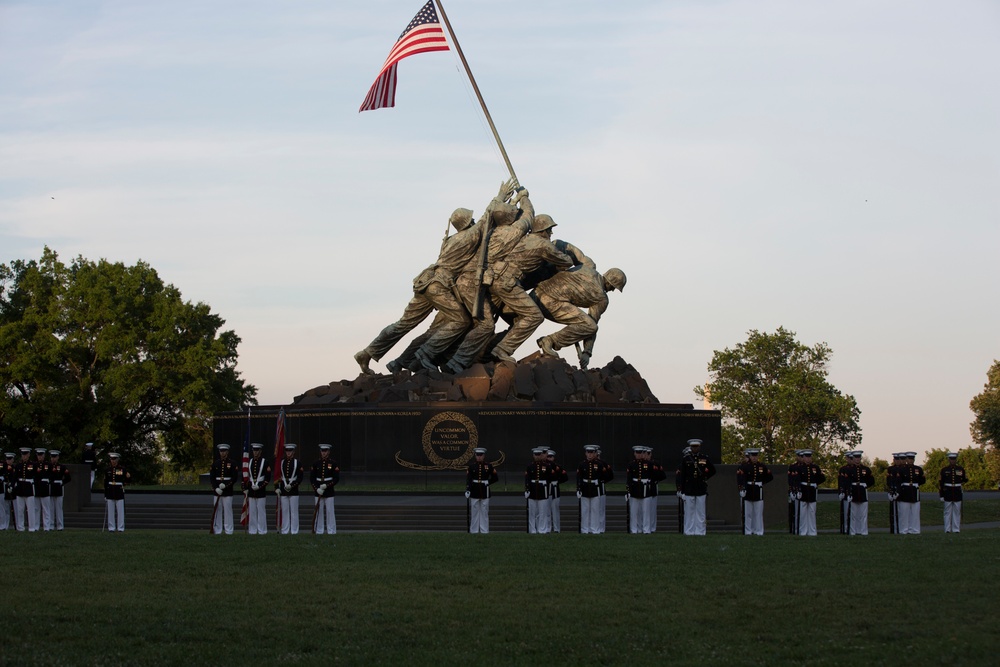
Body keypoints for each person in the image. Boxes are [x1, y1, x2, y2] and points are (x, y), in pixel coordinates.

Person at [354, 180, 515, 374]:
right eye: (470, 220)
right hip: (439, 285)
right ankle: (424, 355)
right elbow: (485, 219)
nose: (473, 222)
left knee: (403, 324)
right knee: (461, 321)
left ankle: (368, 352)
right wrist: (500, 197)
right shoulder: (467, 237)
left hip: (426, 281)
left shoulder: (451, 240)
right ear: (467, 223)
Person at [533, 264, 627, 369]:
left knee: (583, 322)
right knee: (590, 326)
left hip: (536, 293)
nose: (612, 290)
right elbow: (591, 326)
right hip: (551, 302)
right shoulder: (601, 298)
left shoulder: (587, 269)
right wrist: (587, 352)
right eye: (613, 287)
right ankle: (549, 341)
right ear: (609, 282)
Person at [676, 439, 716, 535]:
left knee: (700, 512)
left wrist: (705, 477)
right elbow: (683, 475)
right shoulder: (686, 460)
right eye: (693, 447)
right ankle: (689, 531)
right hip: (689, 488)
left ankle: (700, 531)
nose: (695, 448)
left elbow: (713, 470)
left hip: (700, 487)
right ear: (690, 447)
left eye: (696, 446)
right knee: (689, 512)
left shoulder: (704, 458)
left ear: (699, 447)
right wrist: (681, 489)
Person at [576, 444, 613, 534]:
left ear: (595, 453)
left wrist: (600, 482)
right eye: (588, 452)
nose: (590, 455)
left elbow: (606, 476)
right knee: (585, 510)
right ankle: (585, 529)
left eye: (591, 453)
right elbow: (579, 477)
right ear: (585, 453)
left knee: (595, 510)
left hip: (595, 488)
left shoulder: (599, 464)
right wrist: (579, 488)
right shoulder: (582, 464)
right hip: (585, 488)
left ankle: (594, 529)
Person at [627, 446, 665, 533]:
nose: (639, 455)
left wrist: (651, 483)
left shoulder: (650, 464)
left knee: (646, 511)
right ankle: (634, 529)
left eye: (641, 453)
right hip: (635, 488)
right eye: (637, 453)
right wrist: (628, 490)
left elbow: (655, 475)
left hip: (646, 489)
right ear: (634, 453)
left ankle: (646, 529)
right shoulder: (631, 464)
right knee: (634, 512)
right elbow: (629, 478)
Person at [736, 448, 773, 535]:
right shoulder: (745, 466)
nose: (754, 458)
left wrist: (761, 483)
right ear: (750, 456)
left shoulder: (762, 466)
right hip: (748, 488)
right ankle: (748, 531)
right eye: (753, 456)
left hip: (758, 489)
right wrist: (742, 488)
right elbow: (741, 478)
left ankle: (759, 531)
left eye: (756, 456)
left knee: (758, 512)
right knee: (748, 512)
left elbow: (769, 476)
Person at [789, 449, 825, 536]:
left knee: (812, 511)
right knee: (803, 512)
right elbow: (796, 480)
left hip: (812, 489)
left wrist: (815, 483)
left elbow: (821, 477)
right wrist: (797, 490)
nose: (808, 459)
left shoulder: (815, 467)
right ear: (803, 458)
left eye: (809, 457)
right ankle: (803, 530)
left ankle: (812, 531)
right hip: (804, 489)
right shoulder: (799, 468)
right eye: (806, 457)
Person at [838, 451, 875, 535]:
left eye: (859, 457)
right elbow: (846, 481)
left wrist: (866, 485)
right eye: (856, 458)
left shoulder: (866, 469)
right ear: (853, 458)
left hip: (862, 491)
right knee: (853, 514)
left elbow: (871, 480)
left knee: (863, 513)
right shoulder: (848, 469)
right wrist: (847, 492)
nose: (857, 459)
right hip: (853, 490)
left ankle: (863, 531)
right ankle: (852, 531)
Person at [465, 447, 497, 534]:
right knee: (474, 511)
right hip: (474, 490)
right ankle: (474, 530)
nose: (479, 457)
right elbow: (469, 479)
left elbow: (495, 478)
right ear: (475, 456)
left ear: (484, 456)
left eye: (481, 455)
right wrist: (468, 489)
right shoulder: (471, 467)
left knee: (484, 511)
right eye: (477, 455)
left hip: (484, 489)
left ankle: (484, 530)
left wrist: (488, 482)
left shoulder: (489, 466)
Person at [892, 451, 925, 535]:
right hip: (905, 491)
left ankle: (915, 530)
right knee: (904, 513)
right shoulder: (901, 469)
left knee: (915, 512)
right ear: (906, 459)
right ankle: (904, 530)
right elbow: (898, 481)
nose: (911, 460)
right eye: (909, 459)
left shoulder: (918, 469)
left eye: (912, 459)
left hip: (914, 491)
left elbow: (922, 480)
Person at [311, 444, 340, 535]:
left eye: (325, 451)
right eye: (322, 451)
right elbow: (312, 478)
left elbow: (336, 479)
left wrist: (327, 486)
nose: (324, 453)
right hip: (318, 488)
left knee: (330, 511)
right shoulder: (316, 463)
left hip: (329, 490)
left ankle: (331, 530)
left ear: (328, 452)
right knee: (318, 511)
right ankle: (319, 530)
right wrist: (316, 489)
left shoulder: (333, 463)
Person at [209, 444, 238, 535]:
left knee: (228, 510)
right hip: (217, 490)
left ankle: (229, 530)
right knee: (217, 510)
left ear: (227, 452)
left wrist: (225, 485)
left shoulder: (232, 463)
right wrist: (216, 488)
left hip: (227, 490)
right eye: (221, 451)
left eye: (224, 451)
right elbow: (212, 478)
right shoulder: (215, 463)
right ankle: (217, 530)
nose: (223, 453)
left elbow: (234, 478)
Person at [275, 443, 303, 535]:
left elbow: (300, 478)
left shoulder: (297, 463)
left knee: (294, 512)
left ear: (293, 452)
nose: (288, 453)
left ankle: (294, 531)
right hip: (283, 489)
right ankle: (285, 530)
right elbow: (278, 476)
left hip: (293, 489)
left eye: (290, 451)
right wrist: (277, 487)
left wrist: (292, 485)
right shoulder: (282, 462)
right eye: (287, 451)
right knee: (285, 511)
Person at [243, 443, 271, 535]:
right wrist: (246, 487)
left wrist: (260, 486)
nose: (255, 452)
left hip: (260, 489)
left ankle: (262, 530)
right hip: (251, 489)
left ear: (260, 451)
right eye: (254, 450)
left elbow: (267, 478)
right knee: (252, 511)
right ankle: (252, 530)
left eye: (257, 450)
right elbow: (246, 476)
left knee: (261, 511)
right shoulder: (249, 462)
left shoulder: (264, 462)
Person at [525, 447, 554, 534]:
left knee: (543, 512)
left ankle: (542, 529)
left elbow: (550, 478)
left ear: (542, 455)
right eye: (536, 455)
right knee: (532, 512)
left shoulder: (547, 466)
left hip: (543, 489)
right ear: (533, 456)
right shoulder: (530, 466)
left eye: (539, 454)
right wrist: (527, 489)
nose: (537, 456)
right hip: (533, 489)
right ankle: (532, 530)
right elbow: (527, 478)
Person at [939, 451, 967, 533]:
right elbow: (941, 483)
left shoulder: (960, 469)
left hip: (957, 491)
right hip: (948, 491)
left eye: (954, 459)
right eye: (951, 459)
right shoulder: (944, 470)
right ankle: (947, 529)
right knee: (947, 511)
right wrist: (941, 495)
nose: (953, 461)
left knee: (957, 511)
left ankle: (956, 529)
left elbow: (964, 479)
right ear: (949, 460)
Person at [12, 448, 37, 531]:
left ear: (29, 455)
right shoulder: (18, 465)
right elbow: (14, 477)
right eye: (23, 455)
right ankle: (20, 527)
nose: (24, 456)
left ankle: (32, 527)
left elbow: (36, 476)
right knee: (20, 510)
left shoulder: (33, 465)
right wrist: (12, 486)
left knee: (30, 510)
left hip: (29, 487)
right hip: (20, 488)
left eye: (26, 455)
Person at [104, 453, 130, 532]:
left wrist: (124, 483)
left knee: (120, 511)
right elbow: (105, 482)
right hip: (110, 490)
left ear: (117, 460)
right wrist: (105, 494)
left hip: (119, 490)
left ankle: (120, 528)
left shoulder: (122, 469)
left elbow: (127, 479)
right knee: (111, 511)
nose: (113, 461)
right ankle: (111, 527)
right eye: (112, 459)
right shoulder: (107, 470)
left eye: (114, 459)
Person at [546, 449, 569, 532]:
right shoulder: (544, 466)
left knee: (555, 510)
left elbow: (565, 477)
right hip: (546, 488)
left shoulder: (557, 467)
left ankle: (556, 529)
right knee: (546, 510)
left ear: (553, 457)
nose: (549, 459)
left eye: (550, 457)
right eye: (548, 456)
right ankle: (548, 528)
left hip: (555, 488)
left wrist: (557, 481)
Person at [48, 450, 71, 531]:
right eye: (52, 457)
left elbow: (68, 478)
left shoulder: (62, 467)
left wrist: (62, 483)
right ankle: (51, 525)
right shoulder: (48, 466)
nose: (53, 459)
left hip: (59, 486)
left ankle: (60, 525)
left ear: (57, 457)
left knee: (59, 508)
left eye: (55, 457)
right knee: (50, 508)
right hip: (51, 487)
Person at [34, 448, 52, 531]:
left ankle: (46, 527)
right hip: (37, 487)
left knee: (46, 509)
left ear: (44, 455)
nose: (40, 457)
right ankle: (36, 526)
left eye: (41, 455)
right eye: (38, 455)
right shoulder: (34, 465)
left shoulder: (48, 465)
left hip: (45, 487)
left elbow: (52, 475)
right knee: (36, 509)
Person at [1, 452, 13, 531]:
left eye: (10, 459)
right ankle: (3, 524)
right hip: (2, 486)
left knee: (6, 507)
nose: (8, 461)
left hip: (6, 486)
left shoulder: (3, 464)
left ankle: (6, 525)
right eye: (7, 459)